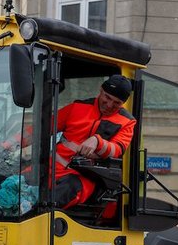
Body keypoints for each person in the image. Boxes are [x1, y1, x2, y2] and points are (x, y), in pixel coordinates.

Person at [51, 74, 135, 209]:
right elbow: (42, 127)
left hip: (85, 179)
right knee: (12, 184)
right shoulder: (77, 107)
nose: (109, 105)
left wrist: (97, 141)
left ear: (123, 103)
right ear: (101, 90)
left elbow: (117, 149)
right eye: (107, 97)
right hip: (51, 169)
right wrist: (9, 144)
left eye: (116, 103)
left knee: (53, 200)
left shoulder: (127, 122)